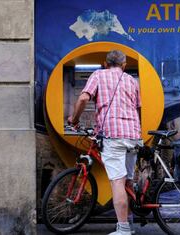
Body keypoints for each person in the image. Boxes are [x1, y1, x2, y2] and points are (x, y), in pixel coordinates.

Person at [68, 50, 142, 235]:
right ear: (124, 65)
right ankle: (130, 220)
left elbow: (84, 97)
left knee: (117, 182)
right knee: (128, 180)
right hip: (132, 135)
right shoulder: (132, 80)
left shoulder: (99, 74)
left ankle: (123, 229)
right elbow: (138, 108)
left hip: (113, 135)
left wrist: (74, 120)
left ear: (105, 63)